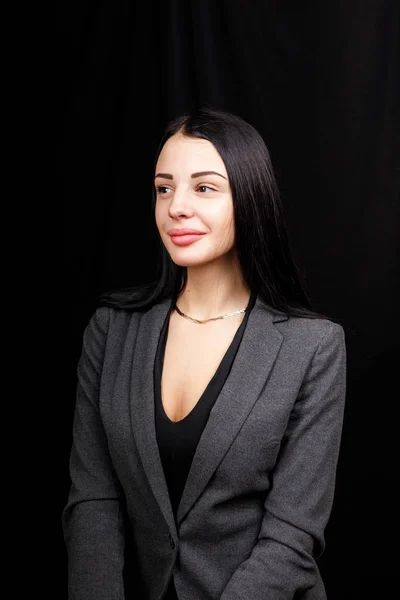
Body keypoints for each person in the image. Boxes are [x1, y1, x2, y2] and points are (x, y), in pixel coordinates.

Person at [62, 106, 347, 600]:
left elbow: (293, 534)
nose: (176, 207)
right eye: (164, 187)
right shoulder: (110, 332)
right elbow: (93, 500)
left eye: (205, 187)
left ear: (250, 200)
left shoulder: (312, 346)